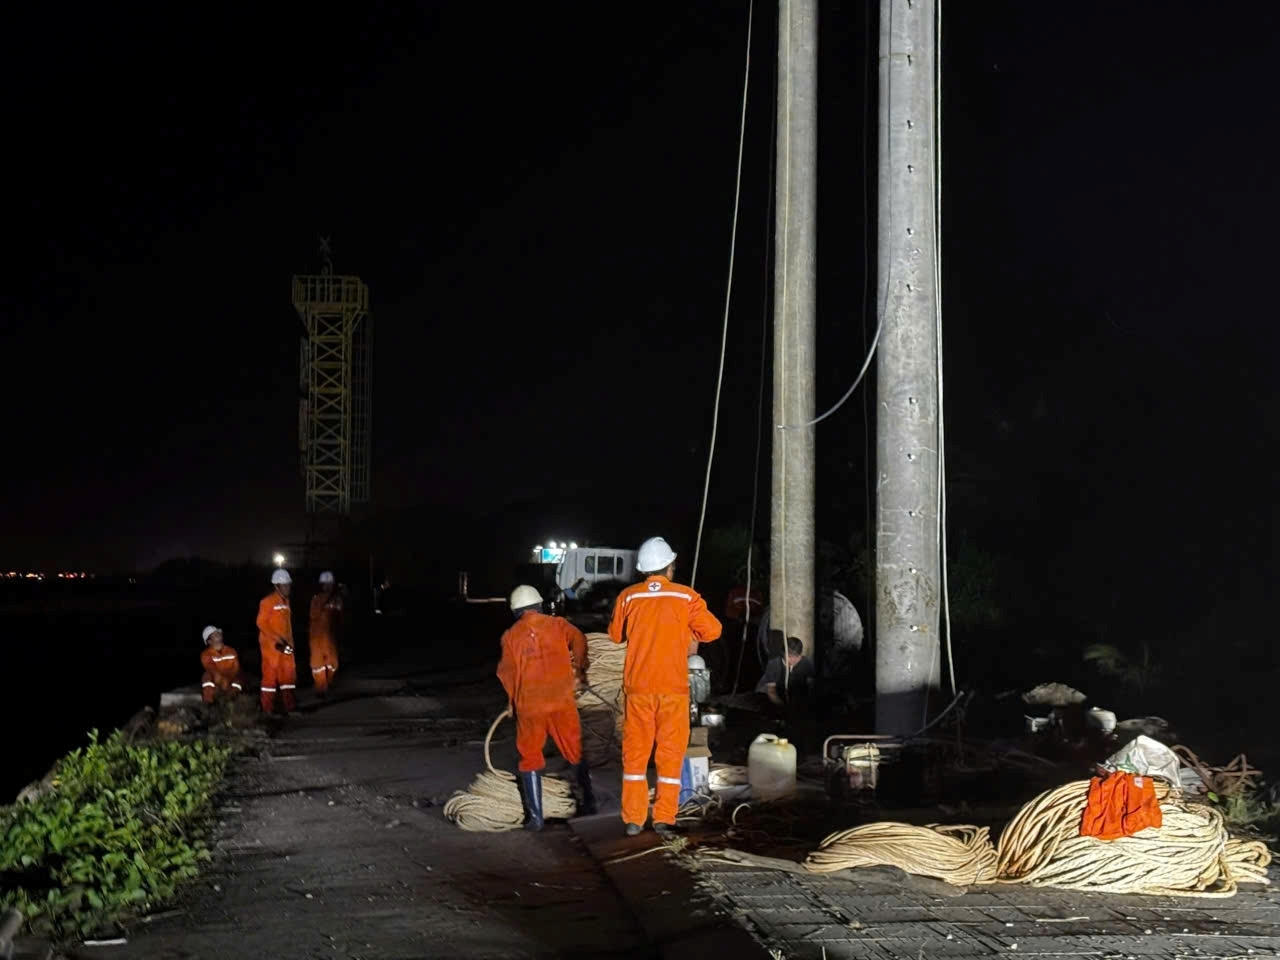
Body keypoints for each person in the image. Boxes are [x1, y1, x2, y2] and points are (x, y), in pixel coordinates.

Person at [608, 536, 721, 837]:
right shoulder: (686, 597)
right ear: (670, 567)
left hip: (639, 689)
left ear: (644, 570)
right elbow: (713, 631)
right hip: (672, 690)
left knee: (635, 757)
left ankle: (633, 819)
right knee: (670, 755)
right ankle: (663, 818)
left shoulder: (628, 597)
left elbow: (616, 635)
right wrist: (684, 627)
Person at [496, 584, 596, 830]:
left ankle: (536, 818)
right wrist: (580, 670)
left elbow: (506, 673)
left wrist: (511, 703)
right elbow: (580, 640)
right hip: (561, 701)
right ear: (540, 605)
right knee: (574, 751)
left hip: (530, 706)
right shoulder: (559, 625)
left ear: (516, 611)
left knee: (530, 757)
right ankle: (589, 804)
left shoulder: (510, 636)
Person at [257, 569, 297, 715]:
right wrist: (277, 640)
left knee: (288, 677)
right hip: (272, 649)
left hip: (286, 646)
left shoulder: (286, 602)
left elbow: (287, 626)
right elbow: (261, 623)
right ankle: (267, 710)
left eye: (288, 585)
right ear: (277, 586)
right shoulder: (267, 602)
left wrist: (289, 644)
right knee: (270, 680)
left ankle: (290, 707)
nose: (287, 588)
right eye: (284, 585)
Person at [309, 571, 343, 696]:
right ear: (321, 585)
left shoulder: (337, 600)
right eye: (325, 584)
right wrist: (325, 603)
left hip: (330, 637)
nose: (328, 586)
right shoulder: (316, 599)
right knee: (318, 664)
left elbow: (340, 618)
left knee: (333, 663)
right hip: (317, 637)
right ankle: (321, 688)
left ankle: (328, 683)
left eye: (330, 584)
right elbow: (313, 614)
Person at [757, 635, 814, 706]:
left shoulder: (806, 663)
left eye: (797, 656)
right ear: (783, 653)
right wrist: (783, 707)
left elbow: (811, 687)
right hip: (766, 696)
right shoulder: (774, 664)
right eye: (789, 656)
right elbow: (771, 691)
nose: (793, 660)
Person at [200, 626, 243, 703]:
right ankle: (208, 702)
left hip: (229, 681)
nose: (218, 635)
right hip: (217, 683)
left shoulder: (231, 651)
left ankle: (231, 700)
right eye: (214, 634)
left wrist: (227, 680)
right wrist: (222, 682)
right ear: (209, 641)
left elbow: (236, 669)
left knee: (238, 679)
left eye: (218, 633)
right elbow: (212, 670)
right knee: (206, 676)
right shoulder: (205, 654)